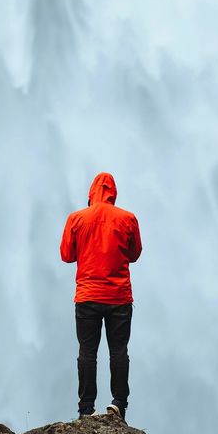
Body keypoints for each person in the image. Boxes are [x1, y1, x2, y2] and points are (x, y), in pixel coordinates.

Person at [60, 172, 142, 421]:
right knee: (119, 351)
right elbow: (135, 253)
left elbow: (66, 254)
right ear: (113, 194)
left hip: (87, 296)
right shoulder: (127, 219)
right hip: (118, 296)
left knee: (87, 352)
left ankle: (86, 408)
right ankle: (118, 404)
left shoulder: (77, 219)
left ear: (91, 193)